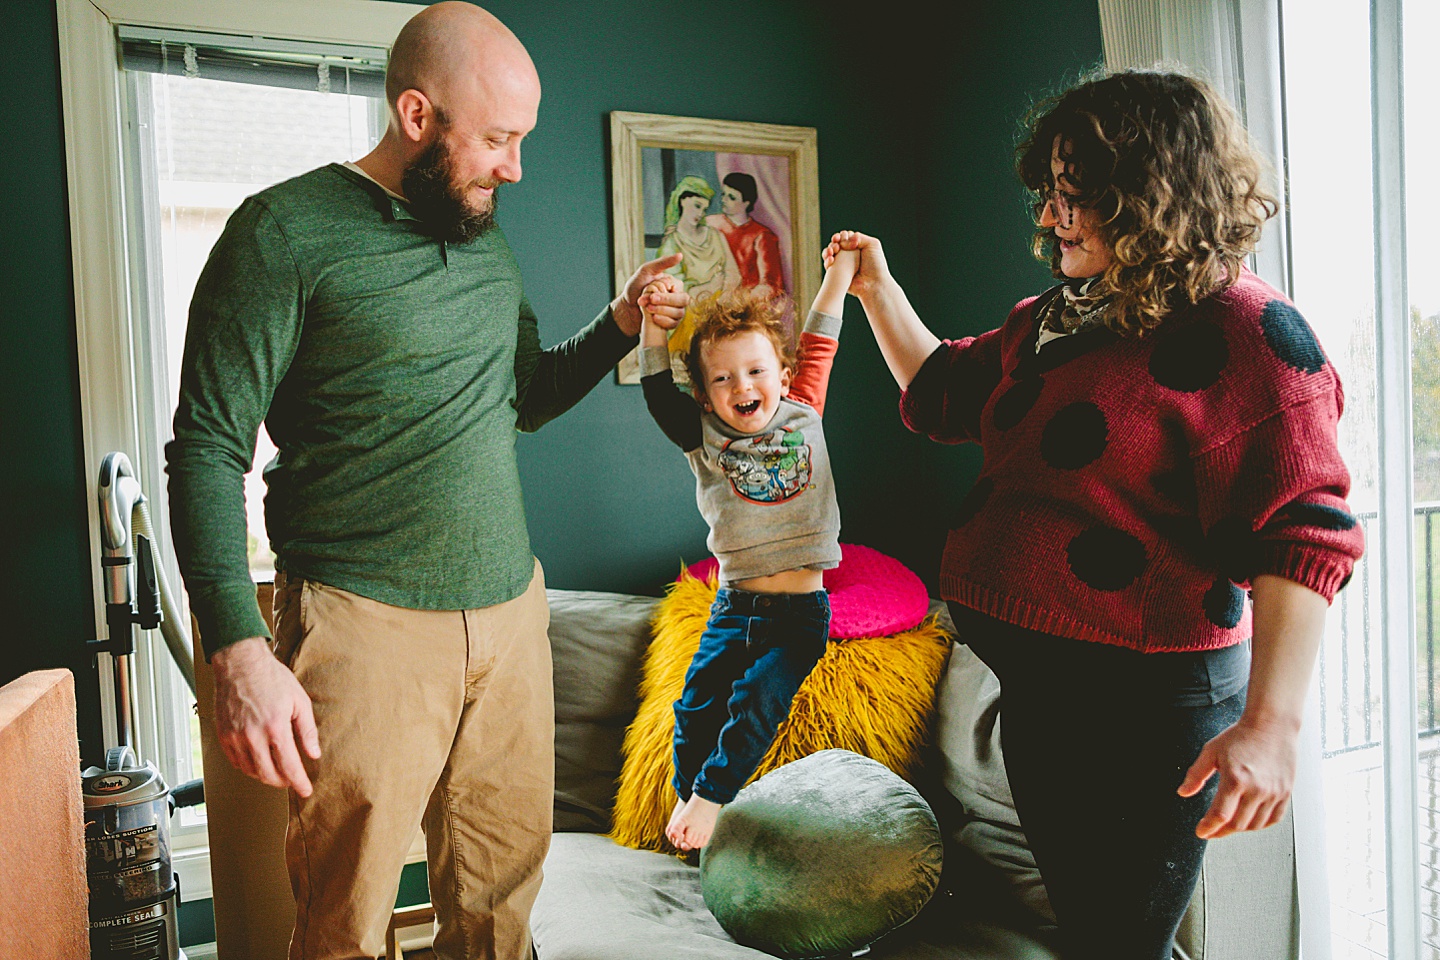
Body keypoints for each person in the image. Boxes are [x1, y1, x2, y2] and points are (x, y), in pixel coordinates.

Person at [165, 4, 688, 959]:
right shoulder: (281, 234)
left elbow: (524, 394)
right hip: (363, 628)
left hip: (509, 615)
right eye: (496, 139)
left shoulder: (479, 229)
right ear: (416, 115)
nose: (514, 167)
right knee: (344, 923)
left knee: (498, 913)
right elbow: (204, 444)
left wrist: (620, 322)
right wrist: (239, 651)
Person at [828, 70, 1364, 960]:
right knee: (1094, 932)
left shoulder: (1245, 329)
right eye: (1050, 193)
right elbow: (942, 392)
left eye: (1078, 197)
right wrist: (878, 289)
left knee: (1118, 943)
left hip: (1146, 710)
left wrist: (1272, 728)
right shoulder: (1061, 316)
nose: (1049, 218)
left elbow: (1304, 534)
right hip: (1047, 698)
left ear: (1154, 193)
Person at [635, 249, 857, 850]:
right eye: (724, 378)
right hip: (733, 609)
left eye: (756, 371)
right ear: (705, 395)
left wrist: (838, 276)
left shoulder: (803, 409)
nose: (743, 387)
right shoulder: (702, 434)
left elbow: (820, 341)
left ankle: (710, 800)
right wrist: (655, 328)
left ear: (782, 376)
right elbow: (657, 391)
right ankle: (694, 805)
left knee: (757, 702)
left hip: (799, 616)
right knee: (695, 712)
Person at [708, 171, 786, 298]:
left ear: (747, 203)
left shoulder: (762, 235)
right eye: (723, 194)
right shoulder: (710, 223)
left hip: (745, 306)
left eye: (732, 197)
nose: (724, 200)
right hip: (708, 299)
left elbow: (772, 285)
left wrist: (740, 301)